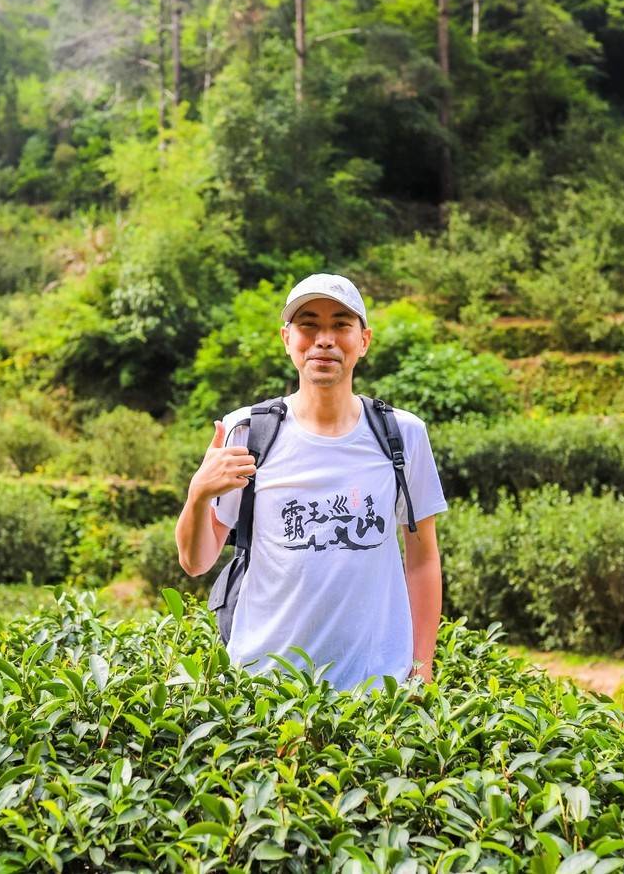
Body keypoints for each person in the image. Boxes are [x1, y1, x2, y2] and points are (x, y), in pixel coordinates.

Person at [174, 273, 448, 691]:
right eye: (308, 325)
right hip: (263, 688)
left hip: (375, 690)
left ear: (364, 340)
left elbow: (423, 557)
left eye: (341, 324)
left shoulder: (403, 434)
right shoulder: (247, 431)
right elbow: (196, 562)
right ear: (286, 338)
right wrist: (197, 496)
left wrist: (421, 666)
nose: (324, 339)